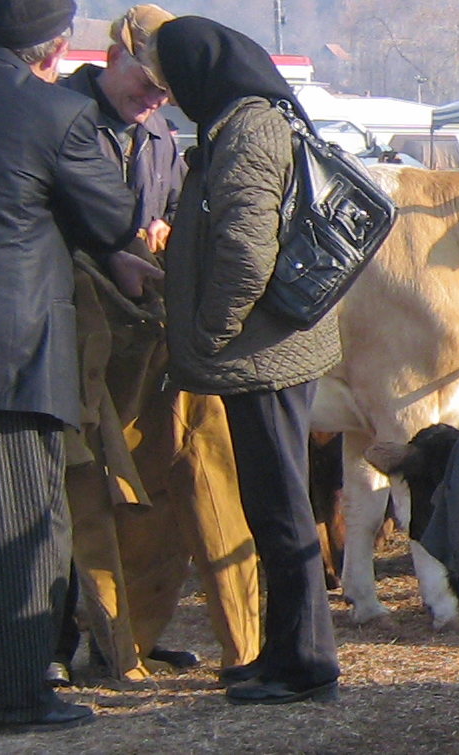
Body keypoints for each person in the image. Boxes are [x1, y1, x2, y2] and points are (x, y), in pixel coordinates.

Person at [0, 0, 161, 732]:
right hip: (2, 350)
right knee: (15, 525)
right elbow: (111, 216)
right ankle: (13, 694)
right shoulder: (56, 116)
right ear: (54, 47)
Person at [54, 3, 260, 685]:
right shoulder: (55, 119)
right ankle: (61, 641)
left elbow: (165, 214)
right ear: (111, 56)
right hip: (64, 335)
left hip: (138, 342)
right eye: (145, 83)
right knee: (74, 490)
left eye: (164, 91)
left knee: (148, 493)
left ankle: (132, 635)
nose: (152, 99)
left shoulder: (163, 139)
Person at [153, 16, 341, 705]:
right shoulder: (243, 123)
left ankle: (307, 665)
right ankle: (281, 651)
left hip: (263, 352)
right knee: (270, 506)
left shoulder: (249, 132)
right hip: (263, 349)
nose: (169, 92)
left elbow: (244, 250)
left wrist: (209, 332)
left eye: (173, 79)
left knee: (283, 509)